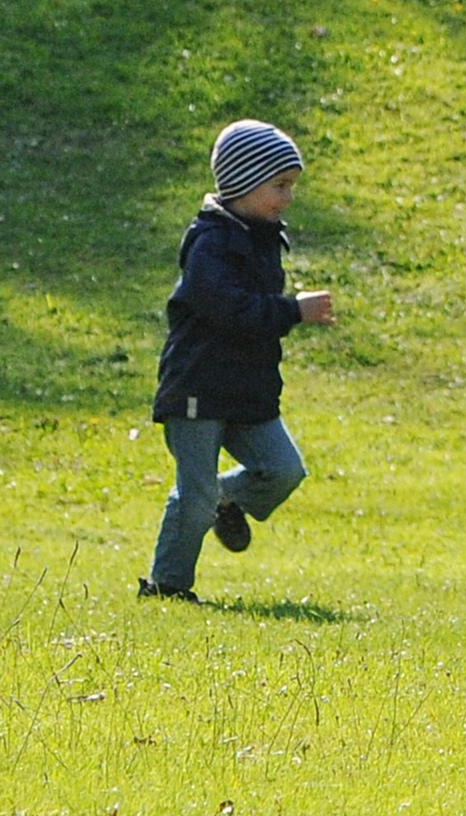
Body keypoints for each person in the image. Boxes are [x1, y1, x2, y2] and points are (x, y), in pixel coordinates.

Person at [142, 119, 337, 602]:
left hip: (246, 391)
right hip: (197, 389)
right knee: (196, 495)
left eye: (291, 185)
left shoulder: (264, 236)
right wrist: (293, 310)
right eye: (280, 186)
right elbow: (229, 310)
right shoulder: (211, 241)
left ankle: (229, 498)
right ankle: (168, 587)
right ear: (243, 184)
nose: (288, 197)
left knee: (284, 470)